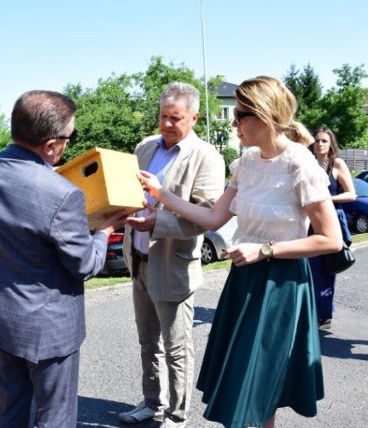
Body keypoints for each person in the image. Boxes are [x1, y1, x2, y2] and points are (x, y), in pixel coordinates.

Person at [137, 76, 342, 428]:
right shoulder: (247, 161)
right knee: (247, 388)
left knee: (261, 390)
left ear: (265, 116)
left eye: (240, 115)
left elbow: (330, 240)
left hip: (281, 285)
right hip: (244, 280)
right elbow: (213, 217)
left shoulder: (300, 164)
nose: (234, 123)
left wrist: (265, 249)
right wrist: (161, 196)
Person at [0, 90, 127, 427]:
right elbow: (85, 265)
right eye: (69, 137)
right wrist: (105, 231)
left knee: (9, 407)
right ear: (51, 144)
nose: (69, 144)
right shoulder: (63, 195)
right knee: (56, 416)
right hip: (47, 326)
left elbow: (17, 198)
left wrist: (47, 171)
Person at [119, 82, 225, 427]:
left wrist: (157, 223)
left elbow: (205, 216)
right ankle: (152, 403)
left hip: (173, 264)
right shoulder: (145, 147)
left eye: (175, 118)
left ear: (194, 117)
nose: (166, 124)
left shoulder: (207, 156)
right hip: (138, 260)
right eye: (163, 116)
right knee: (147, 341)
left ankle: (177, 416)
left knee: (177, 347)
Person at [308, 128, 356, 330]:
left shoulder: (337, 164)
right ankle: (313, 311)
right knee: (310, 269)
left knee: (328, 268)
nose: (320, 144)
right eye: (317, 140)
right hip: (310, 223)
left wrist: (327, 199)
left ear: (331, 143)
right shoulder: (308, 163)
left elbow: (351, 194)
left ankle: (324, 314)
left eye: (324, 141)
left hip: (333, 221)